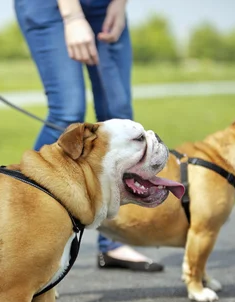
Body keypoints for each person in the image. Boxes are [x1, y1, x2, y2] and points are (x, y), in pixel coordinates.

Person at [15, 0, 164, 272]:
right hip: (49, 6)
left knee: (119, 114)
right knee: (67, 113)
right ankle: (24, 236)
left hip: (104, 6)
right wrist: (72, 16)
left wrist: (119, 5)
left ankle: (112, 242)